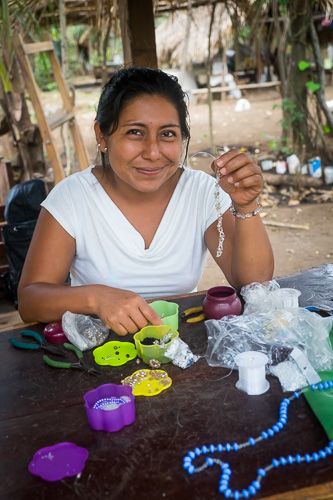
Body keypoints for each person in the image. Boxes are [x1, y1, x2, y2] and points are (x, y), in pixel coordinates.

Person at [18, 67, 274, 336]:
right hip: (101, 350)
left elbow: (253, 287)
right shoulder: (73, 197)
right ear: (102, 136)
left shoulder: (202, 192)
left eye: (167, 134)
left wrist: (246, 207)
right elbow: (30, 300)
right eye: (135, 132)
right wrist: (96, 298)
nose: (153, 153)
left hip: (175, 343)